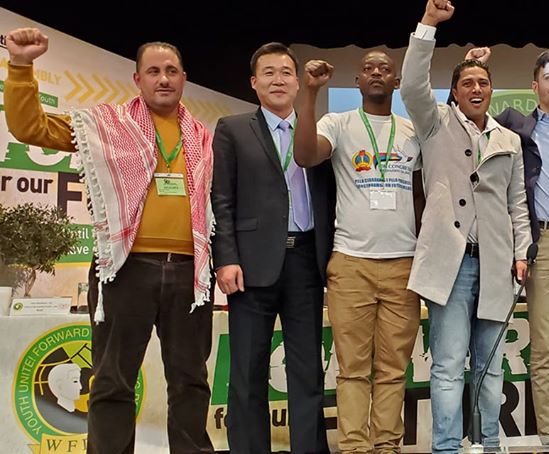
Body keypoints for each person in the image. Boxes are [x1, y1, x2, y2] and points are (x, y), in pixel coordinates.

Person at [5, 27, 216, 453]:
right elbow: (30, 127)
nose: (163, 79)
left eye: (171, 71)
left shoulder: (205, 137)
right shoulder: (104, 126)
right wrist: (21, 66)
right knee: (112, 382)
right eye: (153, 71)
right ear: (137, 79)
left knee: (191, 381)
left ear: (184, 78)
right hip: (124, 269)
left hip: (189, 273)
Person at [399, 1, 532, 452]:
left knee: (491, 366)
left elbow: (517, 202)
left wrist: (521, 252)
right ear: (454, 92)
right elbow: (412, 84)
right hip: (450, 265)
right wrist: (428, 26)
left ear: (492, 91)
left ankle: (489, 445)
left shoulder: (508, 139)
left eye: (483, 83)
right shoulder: (434, 123)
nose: (476, 88)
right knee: (448, 365)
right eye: (467, 83)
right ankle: (447, 448)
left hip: (495, 264)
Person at [465, 46, 549, 446]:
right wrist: (477, 67)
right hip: (542, 244)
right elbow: (470, 113)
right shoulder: (514, 125)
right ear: (535, 84)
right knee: (543, 350)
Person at [292, 49, 423, 454]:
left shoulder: (412, 131)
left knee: (393, 369)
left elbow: (421, 198)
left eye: (385, 68)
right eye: (368, 68)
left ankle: (387, 445)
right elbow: (305, 155)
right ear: (358, 81)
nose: (376, 73)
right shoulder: (338, 123)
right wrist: (310, 93)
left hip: (403, 264)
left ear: (396, 82)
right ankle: (353, 447)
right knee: (352, 369)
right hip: (351, 263)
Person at [212, 42, 334, 454]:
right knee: (247, 371)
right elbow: (221, 199)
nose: (277, 80)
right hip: (250, 265)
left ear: (298, 82)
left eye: (285, 72)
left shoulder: (318, 132)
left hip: (306, 262)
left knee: (307, 371)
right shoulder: (232, 128)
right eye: (268, 72)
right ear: (253, 82)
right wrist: (226, 258)